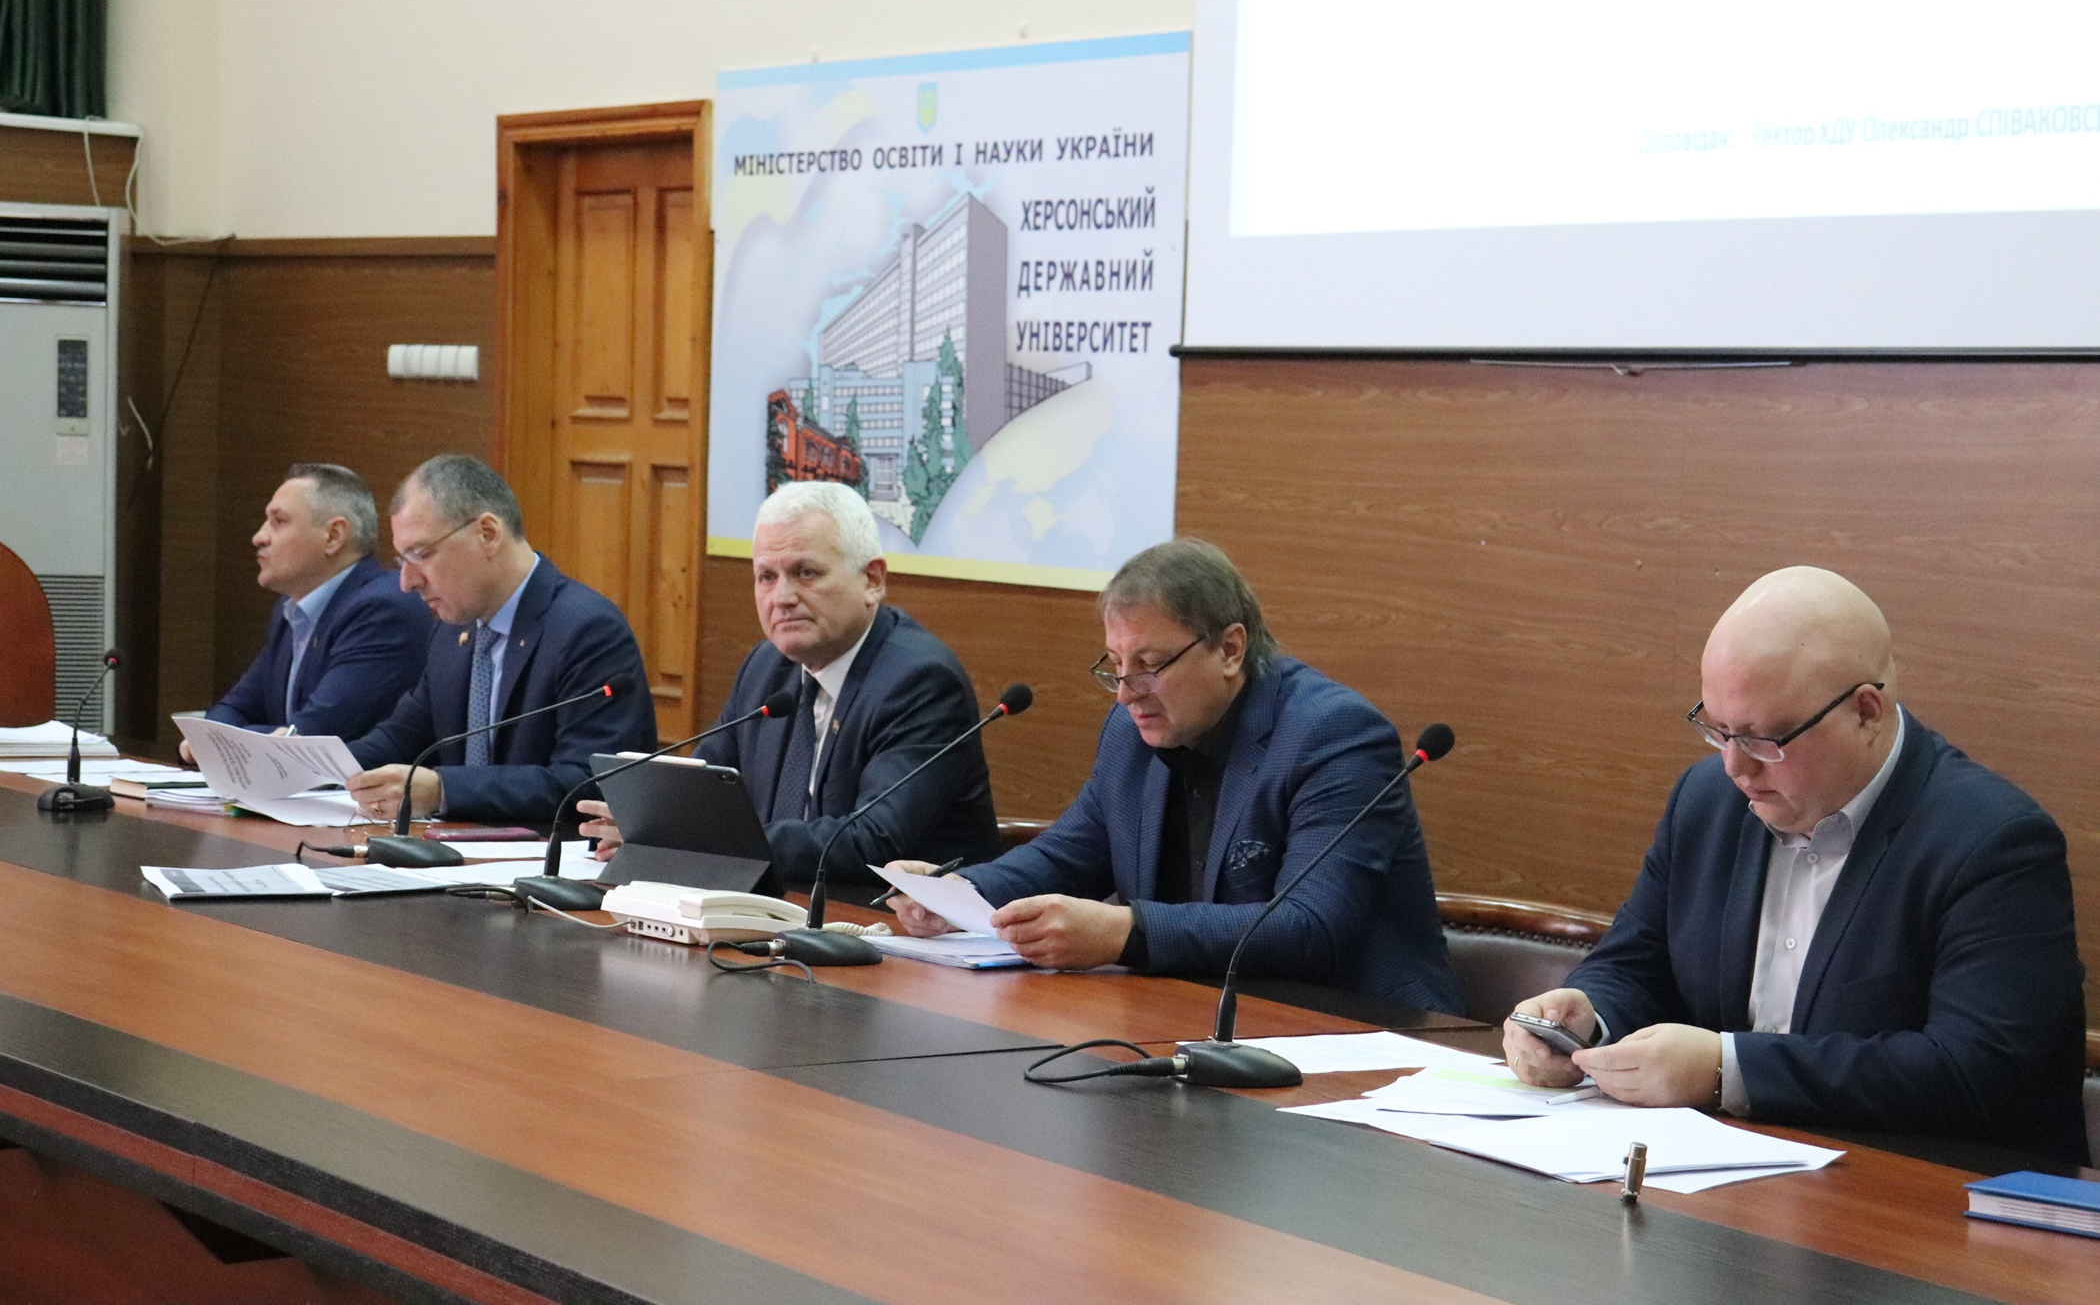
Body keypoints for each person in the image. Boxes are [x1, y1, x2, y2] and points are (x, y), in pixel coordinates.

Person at [1503, 566, 2087, 1164]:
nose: (1735, 767)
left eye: (1764, 739)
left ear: (1866, 713)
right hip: (1723, 1177)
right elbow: (1638, 963)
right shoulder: (1707, 802)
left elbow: (1973, 1073)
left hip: (1925, 1193)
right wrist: (1585, 1016)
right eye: (1718, 731)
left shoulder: (1993, 843)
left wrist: (1726, 1070)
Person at [887, 538, 1463, 1013]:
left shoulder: (1334, 735)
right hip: (1195, 1016)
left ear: (1230, 649)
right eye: (1115, 666)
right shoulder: (1132, 732)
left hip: (1364, 1034)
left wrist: (1124, 931)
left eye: (1149, 665)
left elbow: (1309, 927)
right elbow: (1068, 854)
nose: (1126, 694)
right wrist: (954, 892)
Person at [579, 481, 998, 882]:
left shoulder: (920, 682)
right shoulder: (766, 666)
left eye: (806, 572)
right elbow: (701, 791)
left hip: (886, 918)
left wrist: (694, 837)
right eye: (767, 576)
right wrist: (651, 824)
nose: (781, 598)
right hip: (774, 905)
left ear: (872, 580)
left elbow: (872, 841)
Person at [344, 455, 656, 823]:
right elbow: (399, 737)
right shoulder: (451, 632)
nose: (407, 582)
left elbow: (590, 782)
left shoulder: (588, 630)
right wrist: (309, 768)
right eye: (402, 560)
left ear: (488, 534)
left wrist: (445, 790)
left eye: (421, 555)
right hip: (461, 848)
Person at [193, 463, 433, 748]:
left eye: (279, 521)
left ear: (333, 536)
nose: (259, 537)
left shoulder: (382, 609)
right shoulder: (291, 610)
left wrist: (217, 741)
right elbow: (234, 707)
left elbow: (313, 735)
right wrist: (212, 736)